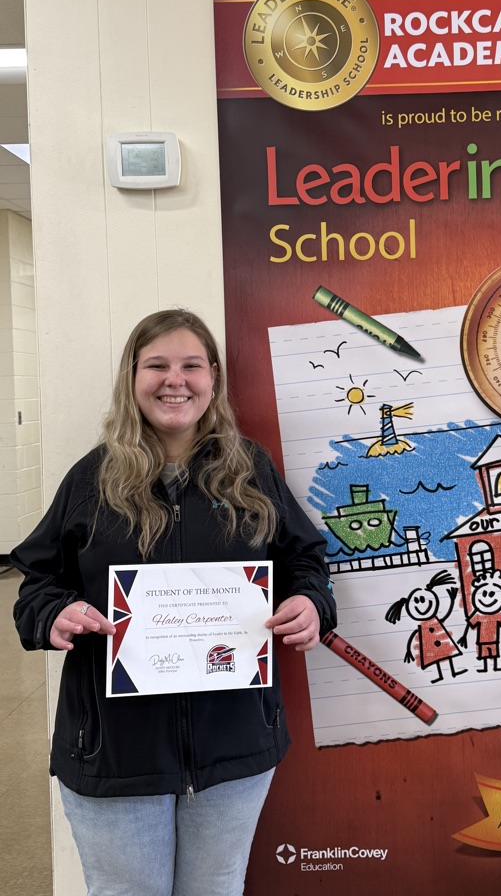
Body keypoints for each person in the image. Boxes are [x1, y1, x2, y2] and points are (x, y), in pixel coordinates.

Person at [12, 309, 336, 896]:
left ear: (213, 377)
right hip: (115, 751)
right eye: (156, 365)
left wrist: (311, 603)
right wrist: (53, 612)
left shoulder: (251, 470)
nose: (174, 380)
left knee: (216, 888)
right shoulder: (93, 479)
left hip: (233, 745)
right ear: (131, 378)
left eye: (191, 365)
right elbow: (36, 581)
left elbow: (306, 561)